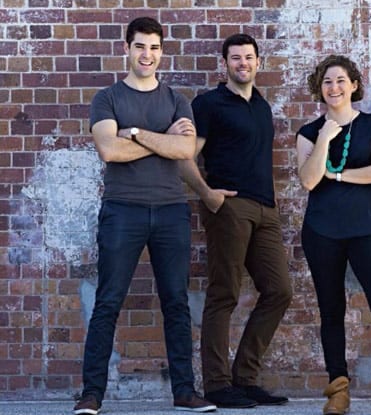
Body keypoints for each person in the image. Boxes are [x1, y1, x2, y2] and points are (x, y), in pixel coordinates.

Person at [73, 17, 216, 415]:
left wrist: (133, 133)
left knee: (175, 302)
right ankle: (92, 394)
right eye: (140, 47)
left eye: (154, 48)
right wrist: (162, 139)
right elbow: (109, 151)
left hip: (171, 211)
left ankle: (185, 391)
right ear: (127, 48)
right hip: (123, 210)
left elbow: (186, 152)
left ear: (161, 52)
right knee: (109, 301)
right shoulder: (107, 98)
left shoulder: (176, 99)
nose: (147, 55)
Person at [296, 55, 371, 415]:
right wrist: (324, 140)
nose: (334, 87)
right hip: (322, 231)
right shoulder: (309, 133)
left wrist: (336, 175)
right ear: (320, 88)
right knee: (331, 310)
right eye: (327, 82)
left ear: (353, 85)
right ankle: (338, 390)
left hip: (366, 229)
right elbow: (307, 180)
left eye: (340, 80)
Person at [178, 33, 292, 409]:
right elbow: (185, 155)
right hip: (229, 207)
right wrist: (206, 193)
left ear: (259, 62)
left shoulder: (262, 106)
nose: (243, 63)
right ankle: (216, 384)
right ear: (225, 63)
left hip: (265, 210)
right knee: (224, 293)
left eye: (249, 57)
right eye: (236, 58)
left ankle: (245, 378)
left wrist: (271, 205)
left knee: (279, 291)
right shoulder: (209, 104)